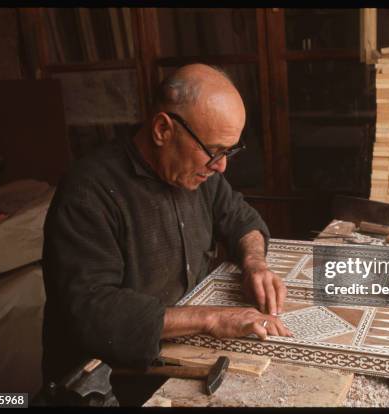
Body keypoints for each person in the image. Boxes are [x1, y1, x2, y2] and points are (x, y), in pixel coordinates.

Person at [41, 64, 291, 405]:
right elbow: (93, 311)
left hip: (181, 349)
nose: (222, 166)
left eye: (229, 151)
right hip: (108, 378)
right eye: (215, 150)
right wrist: (211, 318)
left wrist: (255, 264)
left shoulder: (199, 171)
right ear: (162, 129)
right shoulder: (89, 192)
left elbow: (241, 218)